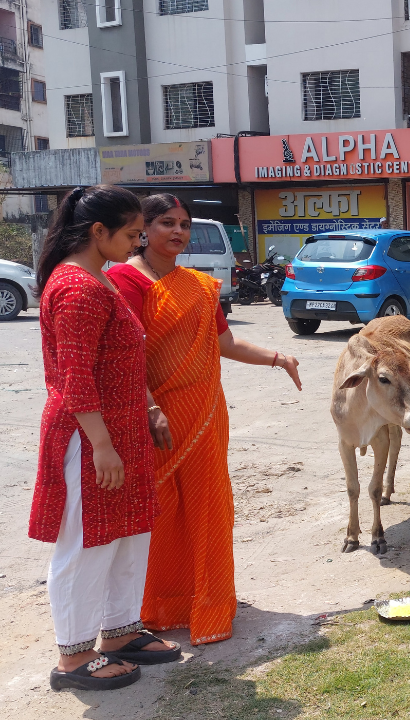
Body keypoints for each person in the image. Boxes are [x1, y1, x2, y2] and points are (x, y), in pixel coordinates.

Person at [107, 194, 303, 646]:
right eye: (166, 223)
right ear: (143, 231)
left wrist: (279, 357)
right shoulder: (125, 281)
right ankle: (159, 604)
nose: (177, 231)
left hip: (204, 415)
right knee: (162, 511)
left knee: (207, 507)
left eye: (184, 224)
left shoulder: (196, 285)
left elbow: (226, 343)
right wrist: (150, 407)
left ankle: (209, 601)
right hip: (154, 416)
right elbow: (126, 357)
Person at [32, 185, 182, 692]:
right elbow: (76, 377)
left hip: (121, 431)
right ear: (98, 232)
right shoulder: (77, 287)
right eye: (133, 234)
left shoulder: (99, 280)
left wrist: (147, 409)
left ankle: (118, 633)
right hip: (90, 435)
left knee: (129, 532)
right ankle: (72, 659)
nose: (138, 244)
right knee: (86, 543)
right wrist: (101, 444)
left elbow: (121, 359)